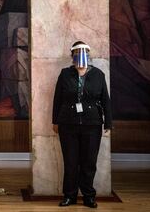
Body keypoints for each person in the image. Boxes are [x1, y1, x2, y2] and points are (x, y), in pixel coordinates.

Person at [52, 41, 112, 208]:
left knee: (88, 162)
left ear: (88, 54)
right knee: (71, 162)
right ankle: (69, 196)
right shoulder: (65, 74)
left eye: (84, 52)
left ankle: (88, 196)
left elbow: (105, 100)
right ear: (72, 56)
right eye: (77, 52)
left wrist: (108, 122)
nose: (81, 55)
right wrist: (55, 121)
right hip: (68, 124)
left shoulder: (98, 75)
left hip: (92, 125)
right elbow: (57, 99)